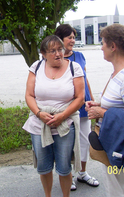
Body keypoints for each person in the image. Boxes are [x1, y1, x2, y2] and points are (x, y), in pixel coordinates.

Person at [23, 35, 85, 197]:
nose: (58, 54)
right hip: (39, 124)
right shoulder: (36, 67)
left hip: (65, 125)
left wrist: (63, 116)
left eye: (60, 49)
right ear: (43, 53)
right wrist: (39, 113)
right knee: (44, 167)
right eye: (52, 51)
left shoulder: (74, 68)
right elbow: (29, 95)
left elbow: (80, 98)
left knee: (64, 168)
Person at [85, 23, 124, 197]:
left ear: (113, 46)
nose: (101, 47)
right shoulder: (117, 73)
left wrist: (102, 113)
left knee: (122, 191)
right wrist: (99, 107)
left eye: (103, 43)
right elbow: (118, 106)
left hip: (122, 143)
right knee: (114, 191)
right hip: (113, 139)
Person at [54, 24, 99, 191]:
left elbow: (85, 79)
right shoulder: (56, 59)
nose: (72, 40)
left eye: (74, 37)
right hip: (67, 106)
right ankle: (68, 176)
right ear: (60, 39)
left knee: (84, 140)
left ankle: (82, 172)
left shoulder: (80, 56)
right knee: (67, 142)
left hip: (84, 105)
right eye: (69, 37)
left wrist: (92, 99)